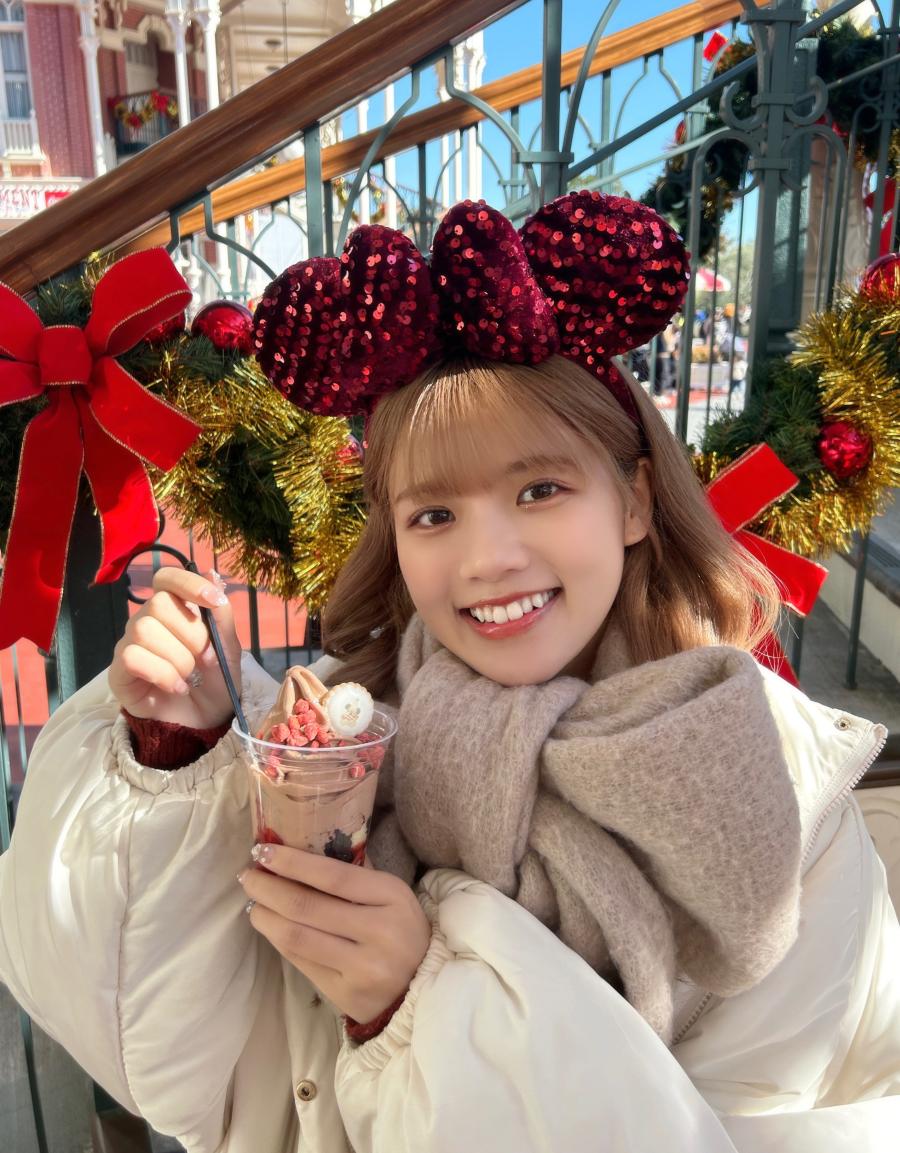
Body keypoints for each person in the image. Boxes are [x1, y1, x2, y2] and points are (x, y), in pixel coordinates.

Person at [1, 193, 899, 1153]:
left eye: (540, 489)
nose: (489, 559)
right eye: (434, 514)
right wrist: (179, 753)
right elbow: (179, 1071)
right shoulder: (336, 746)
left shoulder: (783, 798)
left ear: (635, 500)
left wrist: (417, 1004)